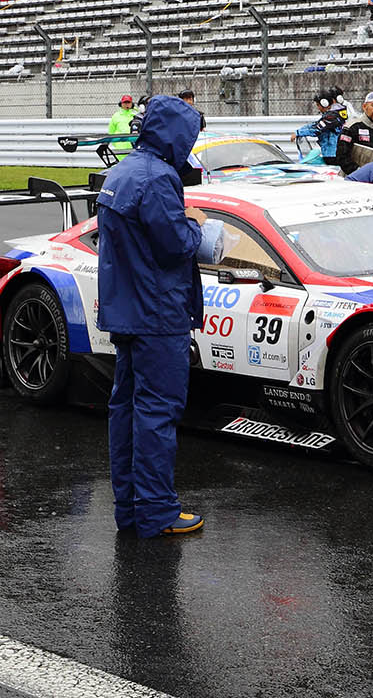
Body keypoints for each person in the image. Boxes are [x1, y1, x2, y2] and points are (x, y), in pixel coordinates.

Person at [96, 95, 221, 538]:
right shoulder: (160, 178)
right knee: (157, 414)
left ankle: (130, 509)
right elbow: (176, 246)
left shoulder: (122, 171)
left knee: (127, 410)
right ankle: (156, 512)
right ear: (175, 134)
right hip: (158, 312)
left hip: (127, 309)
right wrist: (196, 221)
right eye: (190, 136)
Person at [340, 91, 373, 162]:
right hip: (354, 172)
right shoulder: (351, 127)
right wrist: (360, 172)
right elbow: (341, 156)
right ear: (364, 107)